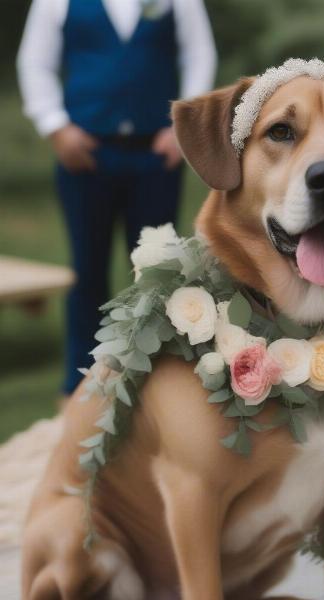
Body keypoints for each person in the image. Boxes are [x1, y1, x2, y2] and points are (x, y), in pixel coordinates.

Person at [17, 0, 217, 395]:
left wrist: (183, 126)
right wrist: (56, 127)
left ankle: (152, 380)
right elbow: (34, 63)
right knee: (86, 268)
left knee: (156, 272)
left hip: (155, 155)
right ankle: (79, 385)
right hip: (87, 154)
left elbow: (200, 54)